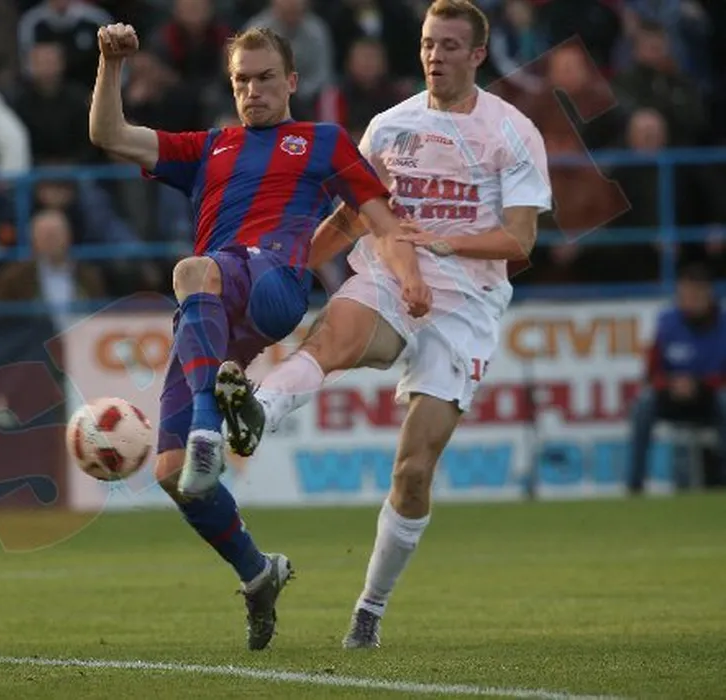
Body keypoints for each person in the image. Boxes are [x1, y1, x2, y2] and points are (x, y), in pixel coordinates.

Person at [214, 0, 552, 649]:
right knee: (335, 335)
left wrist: (449, 243)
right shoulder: (390, 127)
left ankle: (370, 608)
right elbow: (351, 216)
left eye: (449, 45)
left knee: (413, 472)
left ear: (478, 54)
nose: (435, 55)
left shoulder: (511, 131)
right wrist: (289, 268)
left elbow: (521, 241)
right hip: (391, 276)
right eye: (428, 43)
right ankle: (261, 408)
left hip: (467, 306)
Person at [88, 22, 427, 650]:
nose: (253, 90)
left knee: (190, 272)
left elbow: (380, 218)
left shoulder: (322, 141)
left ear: (292, 80)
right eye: (241, 80)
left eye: (266, 77)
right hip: (214, 314)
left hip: (274, 284)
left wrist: (408, 276)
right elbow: (110, 135)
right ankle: (256, 572)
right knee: (170, 473)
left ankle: (208, 429)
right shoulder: (209, 148)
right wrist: (111, 64)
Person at [628, 263, 726, 493]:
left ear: (707, 295)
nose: (687, 302)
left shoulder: (723, 326)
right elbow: (651, 372)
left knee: (724, 402)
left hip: (709, 396)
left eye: (693, 296)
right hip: (671, 394)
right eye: (683, 295)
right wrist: (671, 384)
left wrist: (700, 384)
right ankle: (634, 485)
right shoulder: (666, 323)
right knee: (643, 406)